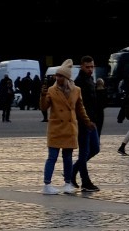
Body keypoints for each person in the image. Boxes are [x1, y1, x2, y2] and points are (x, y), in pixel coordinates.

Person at [40, 60, 94, 195]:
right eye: (57, 76)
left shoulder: (76, 90)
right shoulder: (51, 90)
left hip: (69, 128)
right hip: (56, 128)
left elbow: (80, 109)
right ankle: (47, 184)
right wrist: (42, 95)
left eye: (60, 76)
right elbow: (44, 107)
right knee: (52, 157)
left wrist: (87, 122)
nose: (57, 78)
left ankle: (67, 183)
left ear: (67, 77)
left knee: (68, 157)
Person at [73, 56, 107, 189]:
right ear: (81, 66)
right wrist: (85, 120)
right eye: (87, 67)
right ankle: (85, 181)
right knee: (84, 151)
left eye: (92, 67)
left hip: (92, 121)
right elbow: (80, 105)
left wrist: (100, 90)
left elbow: (98, 103)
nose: (90, 69)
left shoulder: (90, 80)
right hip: (84, 122)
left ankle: (72, 171)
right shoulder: (80, 82)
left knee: (95, 149)